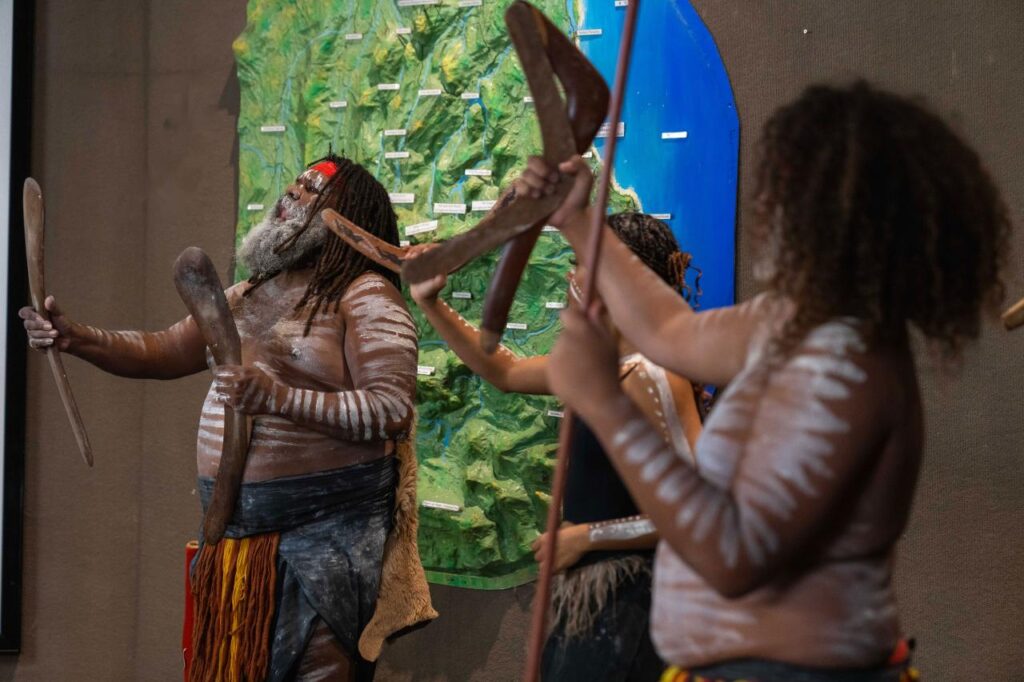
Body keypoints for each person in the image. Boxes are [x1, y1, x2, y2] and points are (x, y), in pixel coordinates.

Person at [522, 82, 1009, 681]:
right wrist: (577, 220)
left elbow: (732, 554)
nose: (766, 209)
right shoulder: (792, 320)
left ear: (835, 217)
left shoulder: (850, 367)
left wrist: (604, 403)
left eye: (783, 190)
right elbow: (669, 328)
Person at [20, 154, 437, 682]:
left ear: (349, 216)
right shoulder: (250, 294)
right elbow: (161, 350)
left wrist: (279, 399)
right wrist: (75, 336)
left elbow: (391, 409)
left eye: (312, 189)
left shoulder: (364, 295)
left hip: (325, 543)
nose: (292, 193)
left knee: (321, 670)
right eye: (295, 182)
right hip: (237, 544)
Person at [408, 212, 704, 681]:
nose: (570, 274)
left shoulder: (651, 373)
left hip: (635, 607)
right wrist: (432, 302)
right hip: (593, 603)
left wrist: (586, 537)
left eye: (581, 262)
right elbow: (504, 371)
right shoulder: (601, 364)